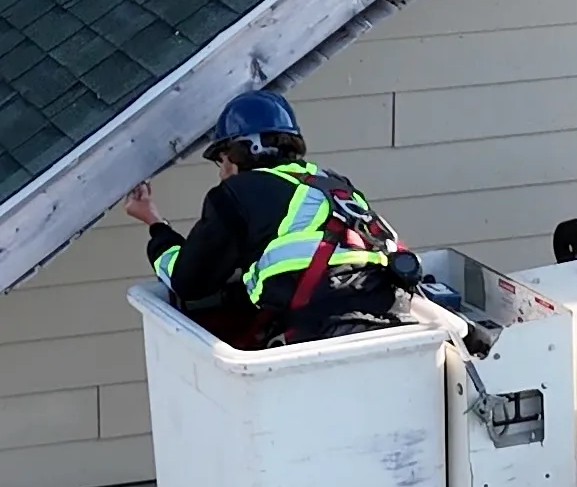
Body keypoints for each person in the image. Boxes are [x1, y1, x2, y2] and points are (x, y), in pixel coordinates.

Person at [123, 89, 418, 349]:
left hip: (327, 329)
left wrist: (155, 224)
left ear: (245, 150)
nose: (221, 171)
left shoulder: (237, 193)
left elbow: (187, 280)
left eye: (222, 159)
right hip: (392, 311)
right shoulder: (330, 182)